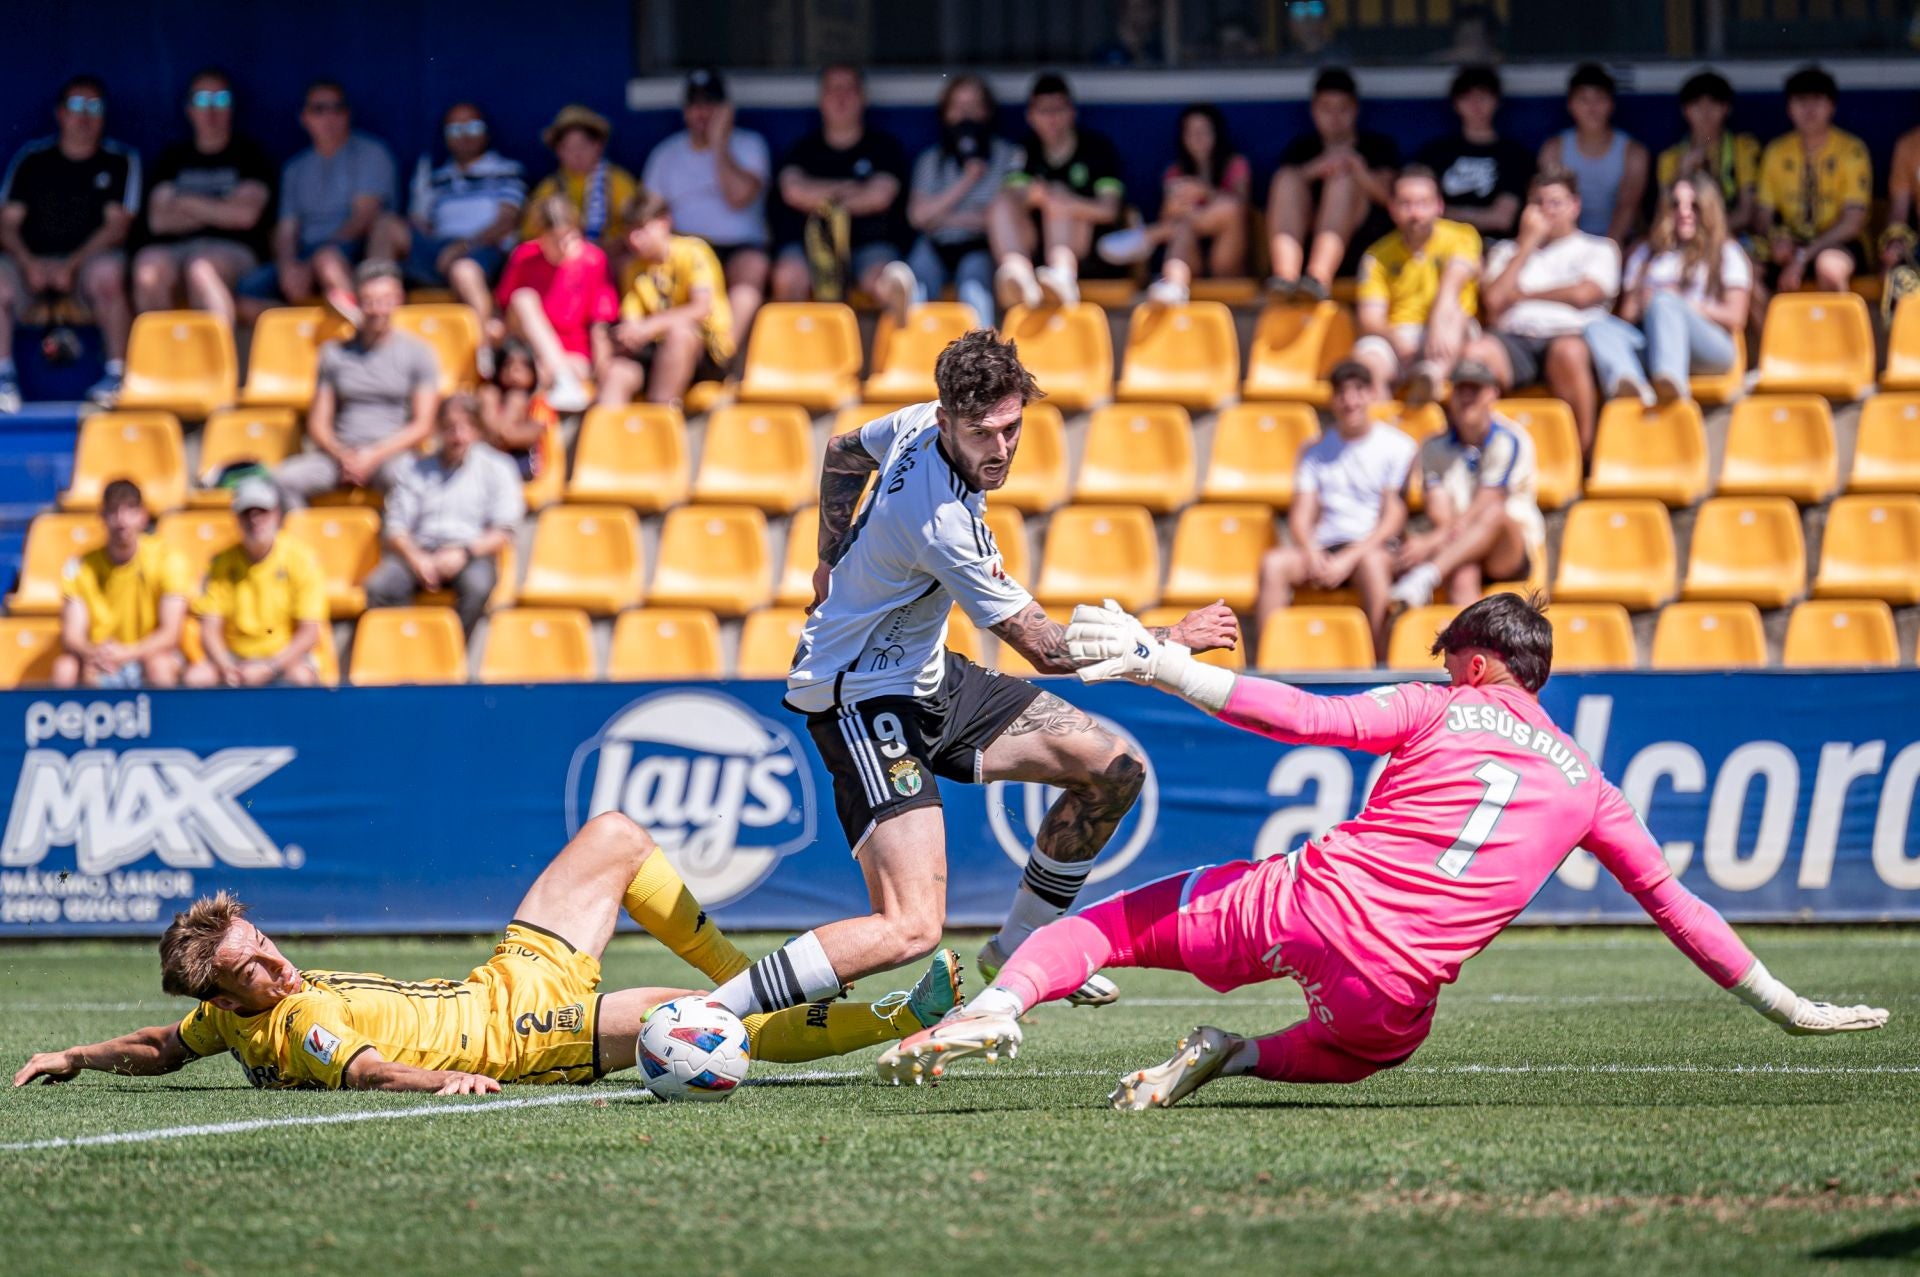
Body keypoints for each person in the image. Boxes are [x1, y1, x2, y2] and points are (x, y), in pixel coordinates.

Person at [878, 593, 1888, 1103]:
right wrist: (1789, 1005)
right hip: (1393, 985)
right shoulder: (1591, 786)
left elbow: (1304, 719)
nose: (1440, 668)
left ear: (1480, 661)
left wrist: (1163, 664)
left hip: (1307, 901)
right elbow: (1677, 904)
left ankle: (998, 1004)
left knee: (1117, 923)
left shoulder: (1443, 706)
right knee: (1384, 1045)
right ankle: (1234, 1058)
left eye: (1449, 655)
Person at [699, 330, 1239, 1028]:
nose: (1003, 448)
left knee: (1114, 768)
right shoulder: (940, 519)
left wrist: (829, 557)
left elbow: (841, 452)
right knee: (911, 928)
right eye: (984, 433)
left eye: (1013, 428)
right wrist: (1166, 640)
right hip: (861, 695)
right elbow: (1045, 648)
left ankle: (1016, 944)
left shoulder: (920, 418)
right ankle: (712, 1014)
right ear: (949, 420)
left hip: (928, 675)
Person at [12, 812, 964, 1094]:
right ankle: (897, 1018)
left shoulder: (224, 1015)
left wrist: (77, 1055)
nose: (277, 964)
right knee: (715, 1027)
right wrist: (447, 1084)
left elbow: (162, 1044)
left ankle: (740, 971)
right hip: (533, 1033)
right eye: (253, 967)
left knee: (618, 834)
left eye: (265, 944)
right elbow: (368, 1069)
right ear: (232, 988)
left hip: (504, 974)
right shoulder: (298, 1023)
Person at [1255, 361, 1413, 662]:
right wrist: (1311, 551)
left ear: (1371, 395)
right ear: (1332, 399)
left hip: (1372, 546)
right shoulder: (1314, 451)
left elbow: (1394, 517)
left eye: (1358, 391)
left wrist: (1350, 556)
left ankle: (1382, 666)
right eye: (1342, 392)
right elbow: (1301, 514)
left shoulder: (1397, 446)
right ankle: (1267, 664)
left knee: (1371, 564)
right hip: (1326, 545)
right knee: (1273, 564)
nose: (1350, 400)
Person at [0, 74, 139, 408]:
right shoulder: (33, 159)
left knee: (109, 273)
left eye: (94, 106)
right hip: (32, 266)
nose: (85, 115)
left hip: (87, 266)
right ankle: (3, 380)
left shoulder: (119, 159)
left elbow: (117, 229)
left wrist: (71, 264)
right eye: (77, 105)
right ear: (60, 113)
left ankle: (117, 376)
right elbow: (6, 224)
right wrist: (29, 263)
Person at [1464, 168, 1619, 455]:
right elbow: (1495, 301)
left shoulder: (1598, 248)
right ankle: (1474, 453)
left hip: (1569, 337)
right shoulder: (1508, 250)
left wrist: (1524, 295)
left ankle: (1583, 459)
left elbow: (1584, 294)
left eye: (1555, 203)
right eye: (1538, 203)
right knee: (1475, 355)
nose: (1546, 211)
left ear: (1575, 206)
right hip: (1515, 338)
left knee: (1568, 353)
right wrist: (1526, 246)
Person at [275, 260, 439, 504]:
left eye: (384, 300)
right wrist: (343, 455)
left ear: (398, 299)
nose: (377, 310)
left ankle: (396, 541)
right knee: (283, 480)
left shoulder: (419, 353)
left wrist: (373, 455)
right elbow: (318, 423)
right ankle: (302, 540)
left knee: (406, 478)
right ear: (357, 301)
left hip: (391, 454)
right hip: (339, 456)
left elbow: (422, 424)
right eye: (369, 301)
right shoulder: (333, 353)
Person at [1389, 359, 1545, 608]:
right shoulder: (1432, 447)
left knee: (1495, 514)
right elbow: (1439, 512)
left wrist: (1430, 543)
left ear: (1492, 394)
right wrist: (1441, 538)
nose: (1467, 397)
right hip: (1457, 543)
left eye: (1476, 389)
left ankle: (1428, 575)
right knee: (1462, 575)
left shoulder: (1509, 439)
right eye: (1461, 389)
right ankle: (1468, 645)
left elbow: (1489, 504)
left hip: (1507, 545)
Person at [362, 393, 523, 634]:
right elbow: (396, 528)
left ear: (478, 429)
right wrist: (417, 559)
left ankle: (450, 654)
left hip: (470, 552)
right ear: (438, 429)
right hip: (419, 552)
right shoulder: (413, 468)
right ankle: (404, 649)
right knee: (380, 586)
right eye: (450, 428)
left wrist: (463, 552)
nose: (458, 436)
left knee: (477, 586)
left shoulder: (498, 467)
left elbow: (504, 531)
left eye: (466, 427)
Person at [1585, 176, 1751, 405]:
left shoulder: (1727, 251)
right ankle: (1630, 385)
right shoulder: (1645, 254)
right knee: (1596, 324)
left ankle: (1671, 383)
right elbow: (1627, 316)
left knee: (1665, 301)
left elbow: (1736, 316)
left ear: (1709, 209)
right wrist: (1643, 300)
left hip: (1710, 347)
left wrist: (1682, 304)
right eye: (1675, 205)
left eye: (1694, 205)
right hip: (1654, 339)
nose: (1684, 212)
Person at [238, 81, 397, 317]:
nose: (329, 116)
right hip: (306, 254)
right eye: (319, 109)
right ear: (304, 118)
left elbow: (363, 218)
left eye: (337, 108)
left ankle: (365, 336)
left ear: (348, 114)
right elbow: (286, 230)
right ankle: (304, 330)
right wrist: (288, 267)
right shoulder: (295, 168)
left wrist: (313, 261)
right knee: (244, 294)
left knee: (327, 262)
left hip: (354, 250)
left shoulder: (371, 152)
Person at [132, 68, 275, 330]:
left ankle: (218, 366)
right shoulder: (172, 157)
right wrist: (221, 208)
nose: (211, 110)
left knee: (201, 270)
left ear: (232, 107)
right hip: (175, 248)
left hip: (234, 251)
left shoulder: (250, 154)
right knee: (147, 269)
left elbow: (244, 217)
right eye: (202, 101)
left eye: (220, 100)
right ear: (189, 109)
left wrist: (183, 200)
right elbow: (158, 221)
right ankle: (165, 365)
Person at [641, 67, 770, 348]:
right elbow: (647, 213)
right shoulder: (665, 154)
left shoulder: (750, 145)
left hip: (740, 248)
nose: (702, 113)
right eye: (695, 105)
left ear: (726, 109)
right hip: (686, 248)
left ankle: (723, 351)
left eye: (710, 105)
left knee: (753, 267)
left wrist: (719, 144)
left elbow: (738, 197)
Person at [769, 65, 910, 309]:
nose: (841, 97)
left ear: (862, 98)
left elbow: (879, 197)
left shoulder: (884, 147)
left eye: (849, 89)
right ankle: (798, 347)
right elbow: (793, 192)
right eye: (833, 90)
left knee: (887, 281)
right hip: (810, 249)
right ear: (822, 99)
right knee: (787, 275)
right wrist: (854, 188)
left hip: (870, 245)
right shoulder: (802, 148)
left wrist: (818, 195)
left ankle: (889, 348)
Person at [989, 73, 1127, 311]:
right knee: (1002, 204)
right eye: (1043, 111)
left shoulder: (1097, 149)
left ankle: (1062, 278)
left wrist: (1066, 201)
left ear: (1072, 112)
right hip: (1036, 250)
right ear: (1030, 116)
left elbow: (1109, 210)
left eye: (1058, 109)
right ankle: (1017, 276)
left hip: (1088, 249)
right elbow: (1013, 197)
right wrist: (1034, 195)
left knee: (1059, 198)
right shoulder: (1024, 151)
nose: (1052, 118)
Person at [371, 102, 523, 315]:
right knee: (386, 226)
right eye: (455, 129)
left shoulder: (506, 170)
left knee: (464, 271)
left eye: (473, 127)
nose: (464, 135)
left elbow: (507, 221)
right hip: (439, 251)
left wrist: (463, 247)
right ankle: (377, 311)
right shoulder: (435, 177)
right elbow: (421, 222)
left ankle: (485, 345)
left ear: (486, 132)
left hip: (483, 251)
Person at [1095, 103, 1251, 306]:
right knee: (1182, 227)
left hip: (1227, 263)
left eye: (1203, 131)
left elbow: (1241, 208)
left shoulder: (1236, 165)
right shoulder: (1175, 172)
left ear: (1217, 133)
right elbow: (1168, 221)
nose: (1197, 138)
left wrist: (1205, 192)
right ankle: (1173, 284)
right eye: (1191, 132)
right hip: (1190, 260)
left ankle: (1148, 236)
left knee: (1226, 208)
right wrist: (1172, 208)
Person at [1265, 68, 1399, 302]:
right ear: (1314, 111)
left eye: (1342, 108)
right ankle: (1284, 278)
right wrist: (1316, 169)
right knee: (1287, 177)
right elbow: (1285, 188)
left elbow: (1391, 200)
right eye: (1326, 108)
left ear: (1355, 109)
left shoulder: (1377, 147)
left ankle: (1319, 278)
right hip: (1302, 255)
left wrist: (1358, 170)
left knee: (1342, 181)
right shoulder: (1301, 149)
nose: (1335, 117)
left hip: (1361, 250)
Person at [1351, 165, 1481, 403]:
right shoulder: (1376, 256)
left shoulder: (1463, 235)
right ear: (1392, 209)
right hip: (1400, 333)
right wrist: (1396, 340)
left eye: (1423, 203)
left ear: (1439, 206)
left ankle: (1431, 377)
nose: (1415, 213)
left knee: (1455, 318)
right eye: (1406, 204)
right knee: (1366, 363)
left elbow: (1455, 281)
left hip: (1449, 325)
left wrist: (1437, 321)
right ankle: (1383, 427)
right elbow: (1370, 318)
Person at [184, 477, 325, 688]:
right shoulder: (221, 562)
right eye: (246, 513)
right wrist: (226, 667)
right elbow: (210, 628)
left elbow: (309, 632)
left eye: (262, 512)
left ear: (276, 514)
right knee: (196, 679)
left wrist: (270, 667)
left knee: (300, 678)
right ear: (236, 518)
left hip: (283, 658)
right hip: (234, 658)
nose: (254, 520)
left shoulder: (301, 559)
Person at [597, 189, 733, 407]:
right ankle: (606, 436)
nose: (634, 239)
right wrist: (628, 335)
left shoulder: (693, 251)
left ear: (664, 222)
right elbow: (633, 322)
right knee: (618, 372)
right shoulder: (633, 269)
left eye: (641, 229)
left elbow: (701, 308)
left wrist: (650, 326)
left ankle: (659, 424)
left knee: (679, 335)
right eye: (629, 232)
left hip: (705, 353)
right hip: (655, 351)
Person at [51, 478, 188, 689]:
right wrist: (93, 653)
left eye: (130, 511)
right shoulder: (80, 567)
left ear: (143, 517)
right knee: (65, 667)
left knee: (159, 665)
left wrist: (128, 653)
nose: (121, 520)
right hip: (101, 657)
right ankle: (81, 720)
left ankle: (168, 722)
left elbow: (170, 634)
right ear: (102, 516)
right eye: (113, 511)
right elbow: (73, 634)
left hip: (147, 654)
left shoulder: (168, 559)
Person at [905, 74, 1019, 325]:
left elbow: (1001, 219)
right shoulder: (931, 160)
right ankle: (914, 355)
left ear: (987, 111)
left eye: (973, 106)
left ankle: (980, 361)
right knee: (917, 280)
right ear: (945, 114)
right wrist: (967, 180)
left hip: (980, 247)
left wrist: (943, 217)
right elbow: (917, 217)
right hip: (935, 246)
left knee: (973, 286)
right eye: (957, 107)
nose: (965, 115)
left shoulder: (1010, 156)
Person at [489, 196, 618, 414]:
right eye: (556, 238)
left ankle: (560, 378)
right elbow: (503, 307)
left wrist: (601, 372)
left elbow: (600, 323)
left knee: (555, 372)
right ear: (541, 236)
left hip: (573, 354)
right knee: (523, 298)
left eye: (570, 236)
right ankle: (561, 378)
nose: (564, 245)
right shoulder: (524, 256)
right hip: (527, 351)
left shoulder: (594, 260)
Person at [1757, 65, 1871, 295]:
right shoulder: (1776, 152)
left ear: (1832, 106)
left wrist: (1803, 255)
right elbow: (1762, 217)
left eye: (1817, 100)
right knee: (1745, 272)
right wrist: (1778, 238)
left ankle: (1841, 332)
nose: (1809, 109)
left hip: (1838, 243)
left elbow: (1852, 223)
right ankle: (1771, 332)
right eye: (1801, 100)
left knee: (1829, 267)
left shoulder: (1851, 150)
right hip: (1792, 242)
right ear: (1789, 108)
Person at [1415, 65, 1532, 240]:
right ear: (1456, 104)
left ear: (1497, 102)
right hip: (1440, 243)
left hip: (1495, 246)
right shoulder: (1435, 153)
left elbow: (1501, 219)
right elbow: (1417, 209)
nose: (1476, 105)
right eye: (1467, 98)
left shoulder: (1514, 155)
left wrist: (1445, 213)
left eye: (1483, 97)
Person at [1537, 63, 1648, 247]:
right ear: (1570, 105)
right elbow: (1551, 207)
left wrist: (1608, 252)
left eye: (1599, 99)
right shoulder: (1553, 149)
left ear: (1611, 104)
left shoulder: (1634, 153)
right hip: (1566, 244)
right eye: (1583, 100)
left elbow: (1627, 207)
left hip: (1620, 245)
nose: (1592, 108)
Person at [521, 105, 638, 266]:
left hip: (610, 262)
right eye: (568, 148)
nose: (577, 154)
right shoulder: (548, 188)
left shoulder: (619, 181)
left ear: (598, 146)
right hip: (563, 265)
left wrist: (603, 251)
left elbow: (636, 227)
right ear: (558, 152)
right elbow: (531, 236)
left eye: (583, 145)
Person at [1656, 71, 1761, 239]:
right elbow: (1664, 215)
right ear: (1685, 111)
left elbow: (1746, 214)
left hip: (1732, 235)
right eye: (1696, 105)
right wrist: (1683, 172)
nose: (1705, 112)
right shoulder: (1670, 158)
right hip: (1685, 237)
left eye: (1713, 104)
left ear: (1726, 108)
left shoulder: (1744, 148)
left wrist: (1710, 237)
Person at [478, 337, 554, 481]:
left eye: (523, 366)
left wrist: (515, 403)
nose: (515, 371)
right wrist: (489, 402)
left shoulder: (539, 405)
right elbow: (492, 434)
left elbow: (506, 435)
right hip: (487, 465)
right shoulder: (489, 396)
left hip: (522, 467)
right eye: (508, 364)